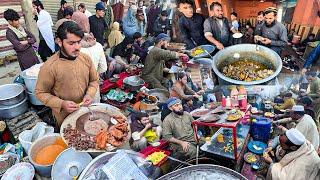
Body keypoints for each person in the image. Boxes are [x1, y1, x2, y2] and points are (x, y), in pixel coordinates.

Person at [35, 21, 99, 127]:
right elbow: (40, 93)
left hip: (85, 111)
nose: (77, 47)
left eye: (79, 42)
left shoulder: (85, 58)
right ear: (59, 42)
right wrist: (61, 104)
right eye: (71, 43)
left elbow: (94, 80)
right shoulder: (49, 67)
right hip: (65, 117)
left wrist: (89, 94)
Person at [80, 33, 108, 102]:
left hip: (79, 85)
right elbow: (103, 68)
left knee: (81, 110)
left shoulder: (75, 49)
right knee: (95, 108)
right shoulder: (98, 45)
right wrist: (94, 73)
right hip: (94, 83)